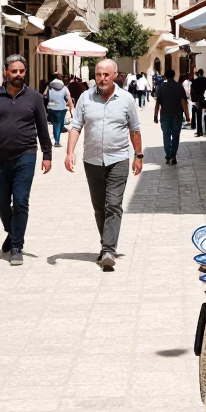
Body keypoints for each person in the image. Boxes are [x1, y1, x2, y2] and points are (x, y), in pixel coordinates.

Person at [65, 58, 142, 270]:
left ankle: (108, 250)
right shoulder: (85, 97)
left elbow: (134, 129)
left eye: (106, 74)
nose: (102, 78)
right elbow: (76, 126)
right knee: (99, 207)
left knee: (113, 205)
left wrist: (139, 155)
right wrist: (70, 152)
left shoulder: (126, 99)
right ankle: (106, 243)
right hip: (92, 161)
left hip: (118, 159)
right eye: (98, 74)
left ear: (115, 75)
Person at [0, 54, 53, 266]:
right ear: (5, 73)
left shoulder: (34, 97)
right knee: (1, 202)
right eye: (14, 71)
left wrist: (47, 155)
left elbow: (42, 127)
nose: (18, 74)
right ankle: (12, 231)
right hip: (0, 157)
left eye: (21, 71)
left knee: (20, 200)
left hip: (26, 155)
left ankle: (17, 246)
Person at [154, 67, 189, 165]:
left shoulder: (161, 87)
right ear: (174, 76)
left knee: (166, 136)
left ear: (165, 76)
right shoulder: (179, 87)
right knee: (176, 136)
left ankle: (168, 155)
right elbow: (183, 102)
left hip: (165, 115)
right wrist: (187, 115)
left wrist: (155, 116)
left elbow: (157, 103)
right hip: (177, 115)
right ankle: (173, 154)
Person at [45, 74, 74, 148]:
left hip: (51, 108)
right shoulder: (64, 88)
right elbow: (69, 99)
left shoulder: (49, 87)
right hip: (61, 108)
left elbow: (44, 95)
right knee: (58, 123)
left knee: (56, 123)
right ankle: (57, 141)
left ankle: (56, 136)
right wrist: (71, 108)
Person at [190, 68, 206, 136]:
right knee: (205, 115)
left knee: (199, 117)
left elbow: (192, 90)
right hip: (205, 99)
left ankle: (199, 131)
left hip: (198, 100)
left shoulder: (196, 81)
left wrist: (195, 100)